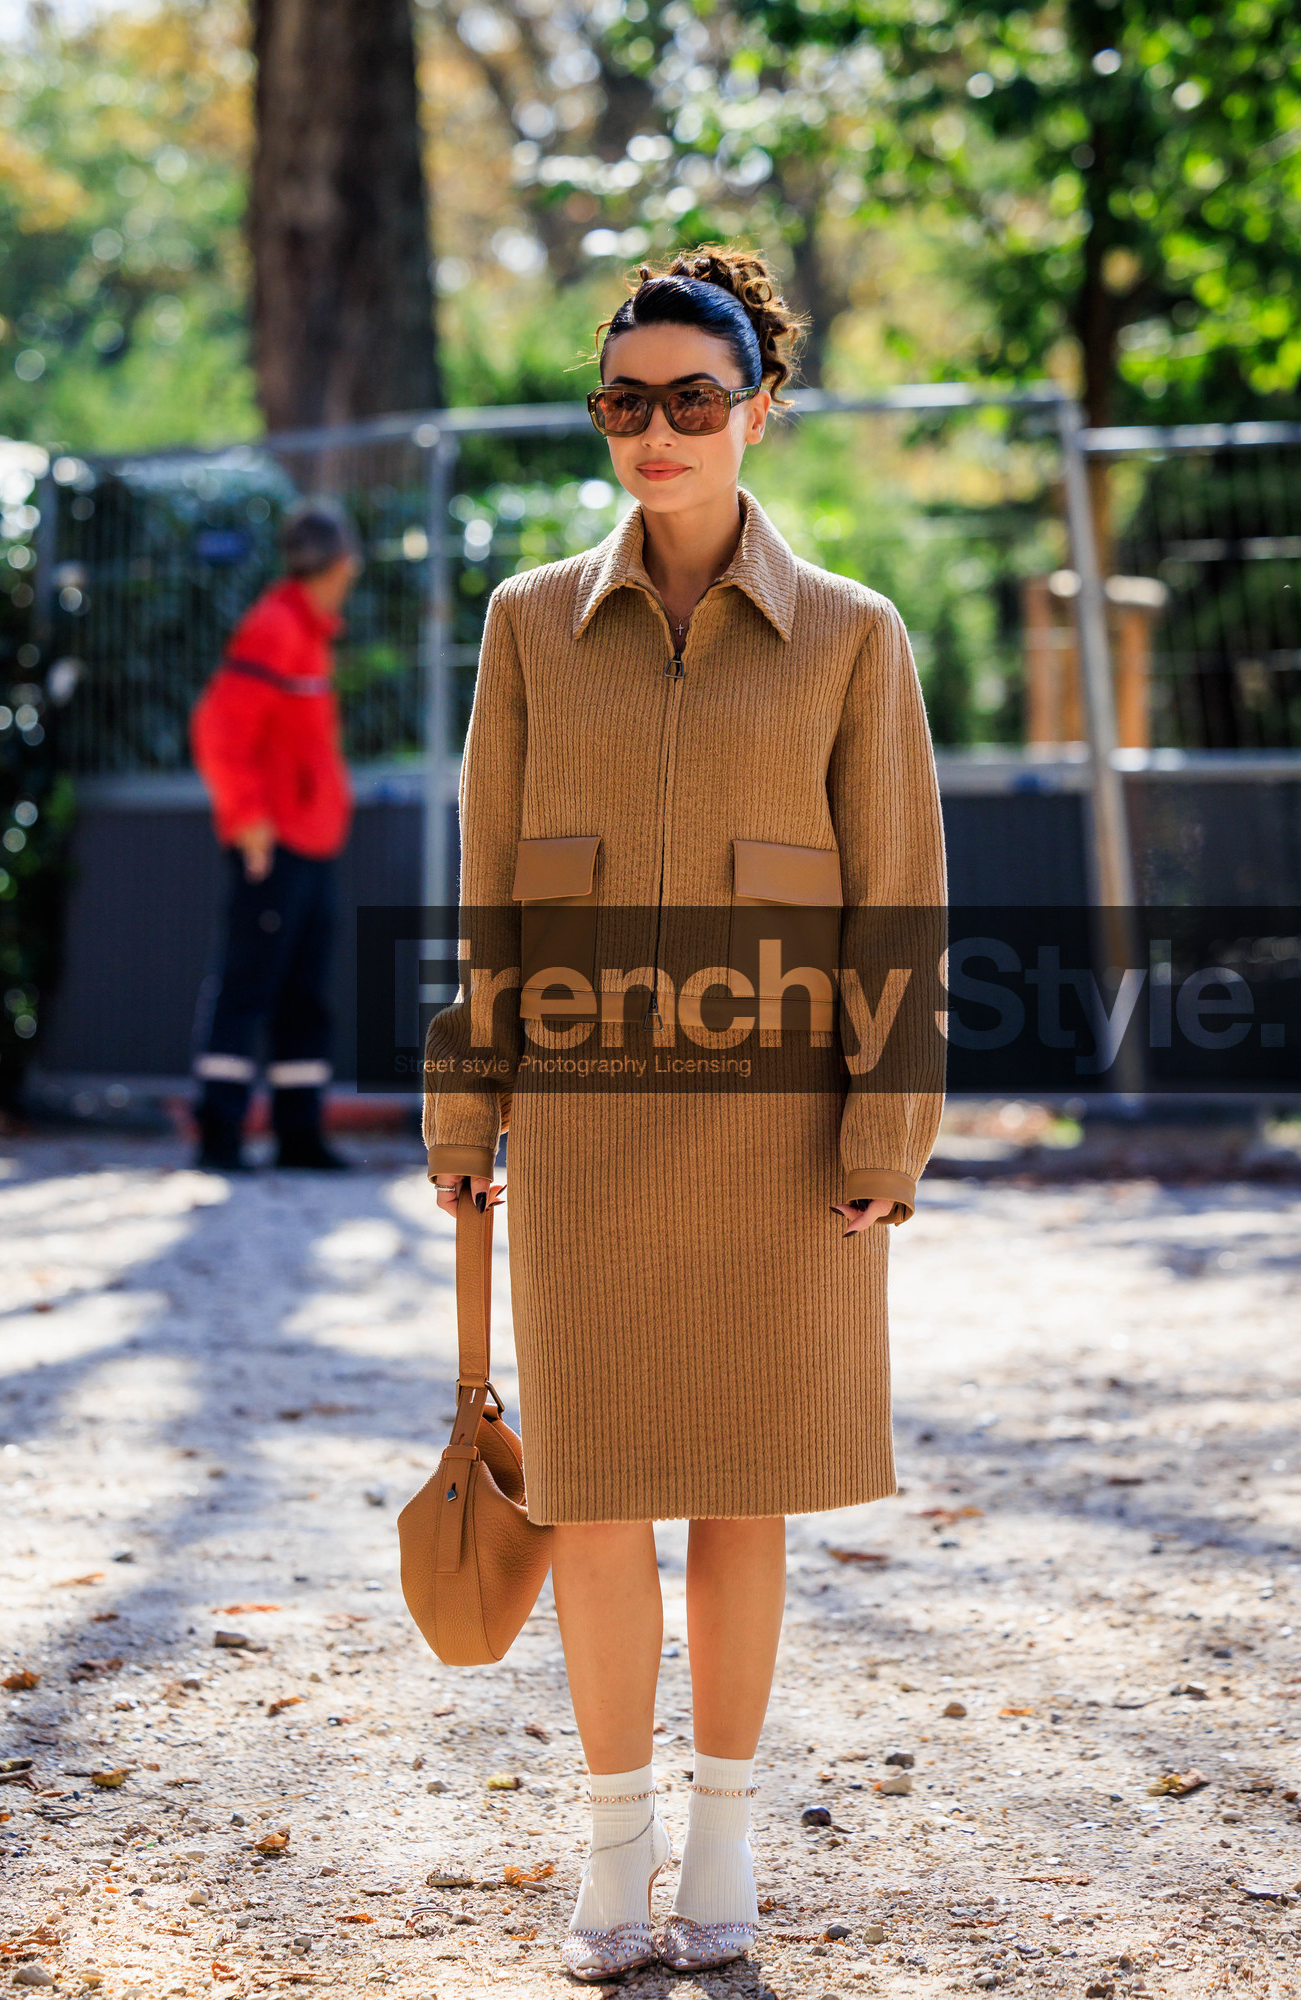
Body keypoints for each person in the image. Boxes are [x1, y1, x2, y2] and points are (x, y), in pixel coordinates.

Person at [422, 247, 946, 1979]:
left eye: (694, 399)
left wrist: (885, 1136)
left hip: (780, 1142)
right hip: (580, 1129)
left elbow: (900, 904)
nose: (658, 431)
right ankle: (612, 1847)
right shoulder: (525, 624)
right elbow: (486, 891)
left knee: (743, 1495)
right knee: (589, 1495)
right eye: (626, 401)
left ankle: (723, 1846)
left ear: (759, 411)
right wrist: (464, 1110)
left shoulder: (854, 637)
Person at [188, 499, 360, 1172]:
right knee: (248, 988)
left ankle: (299, 1134)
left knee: (302, 995)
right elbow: (219, 729)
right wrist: (249, 822)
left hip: (310, 844)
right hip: (275, 844)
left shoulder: (305, 631)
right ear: (341, 564)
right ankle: (220, 1136)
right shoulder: (277, 628)